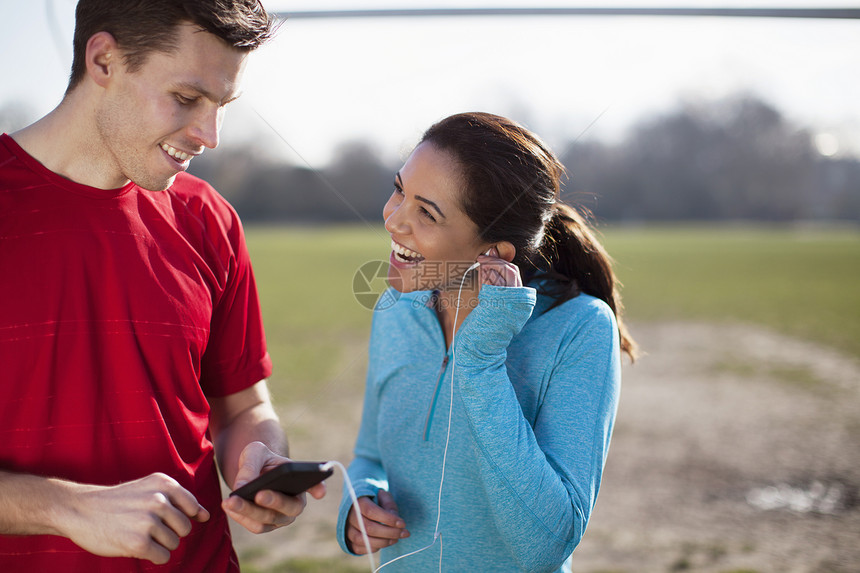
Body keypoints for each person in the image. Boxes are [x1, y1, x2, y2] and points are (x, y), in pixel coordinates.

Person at [0, 1, 324, 570]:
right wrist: (65, 508)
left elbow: (245, 402)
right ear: (104, 60)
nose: (211, 135)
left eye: (221, 106)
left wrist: (261, 459)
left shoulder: (210, 220)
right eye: (186, 98)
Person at [336, 112, 637, 572]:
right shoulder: (395, 309)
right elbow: (371, 455)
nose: (394, 220)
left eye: (427, 213)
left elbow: (546, 544)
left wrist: (480, 360)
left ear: (492, 254)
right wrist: (359, 502)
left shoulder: (580, 329)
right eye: (399, 190)